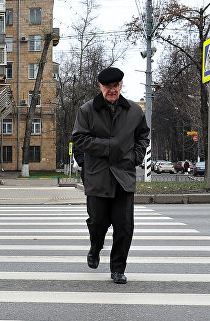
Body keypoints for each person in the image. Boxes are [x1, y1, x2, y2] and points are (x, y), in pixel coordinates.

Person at [72, 67, 150, 284]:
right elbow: (79, 139)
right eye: (108, 87)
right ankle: (95, 247)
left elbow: (143, 135)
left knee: (124, 225)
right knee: (97, 222)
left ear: (121, 86)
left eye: (115, 86)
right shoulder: (87, 110)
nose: (112, 90)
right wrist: (108, 147)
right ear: (100, 87)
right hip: (97, 176)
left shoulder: (134, 111)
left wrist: (136, 156)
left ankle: (118, 268)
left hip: (123, 176)